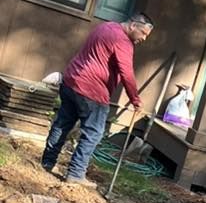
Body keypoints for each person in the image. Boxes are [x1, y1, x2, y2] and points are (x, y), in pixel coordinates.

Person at [41, 13, 154, 185]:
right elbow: (127, 74)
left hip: (72, 80)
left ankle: (47, 163)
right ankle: (76, 174)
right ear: (133, 26)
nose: (144, 38)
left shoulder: (105, 26)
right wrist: (135, 100)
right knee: (93, 133)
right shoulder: (123, 41)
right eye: (143, 33)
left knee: (62, 123)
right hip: (92, 90)